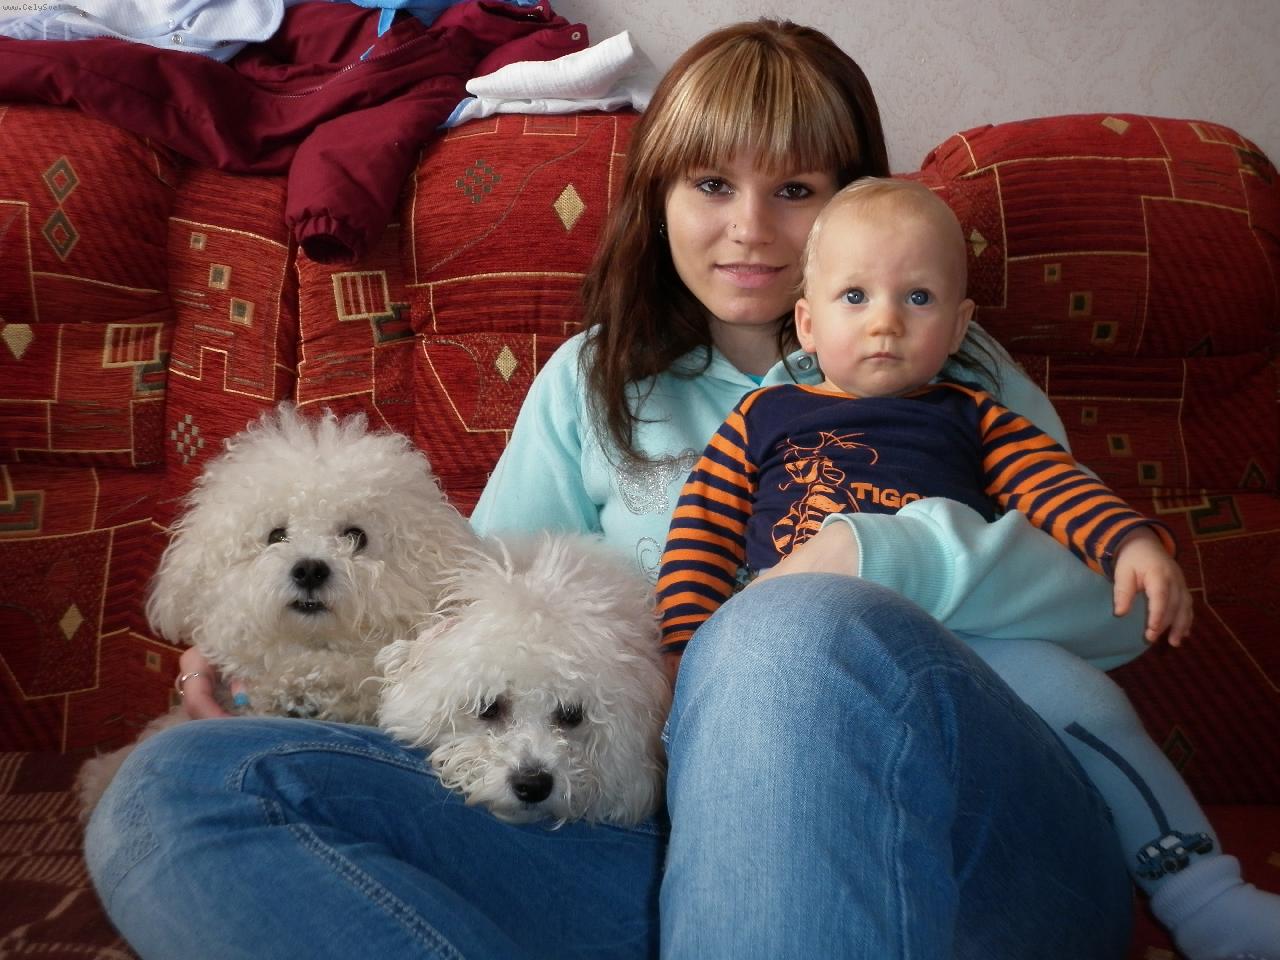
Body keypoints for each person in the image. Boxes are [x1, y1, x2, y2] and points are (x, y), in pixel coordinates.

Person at [81, 19, 1204, 960]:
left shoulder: (953, 374)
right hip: (652, 869)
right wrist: (283, 658)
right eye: (712, 183)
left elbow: (1115, 609)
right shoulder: (591, 383)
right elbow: (469, 623)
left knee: (780, 631)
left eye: (796, 189)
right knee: (182, 787)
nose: (749, 228)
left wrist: (880, 557)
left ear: (854, 202)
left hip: (965, 853)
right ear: (659, 194)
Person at [657, 176, 1280, 960]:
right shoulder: (761, 417)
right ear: (807, 323)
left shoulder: (974, 416)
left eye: (917, 298)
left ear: (958, 327)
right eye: (855, 296)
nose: (885, 321)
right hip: (791, 670)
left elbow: (1056, 489)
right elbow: (700, 536)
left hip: (965, 648)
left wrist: (1128, 541)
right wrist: (683, 653)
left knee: (1090, 701)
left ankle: (1203, 896)